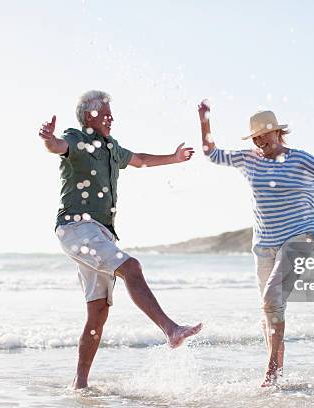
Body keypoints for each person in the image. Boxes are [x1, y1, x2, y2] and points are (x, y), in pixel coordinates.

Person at [38, 90, 202, 389]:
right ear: (89, 116)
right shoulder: (75, 138)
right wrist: (48, 139)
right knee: (132, 267)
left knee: (98, 311)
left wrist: (174, 158)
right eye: (105, 113)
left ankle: (80, 383)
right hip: (76, 228)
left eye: (111, 112)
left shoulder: (111, 147)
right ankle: (171, 329)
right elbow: (57, 146)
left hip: (100, 233)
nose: (111, 117)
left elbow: (138, 159)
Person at [197, 101, 314, 386]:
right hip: (264, 244)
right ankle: (277, 374)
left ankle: (271, 372)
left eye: (266, 134)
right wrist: (205, 121)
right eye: (257, 137)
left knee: (271, 299)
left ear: (278, 133)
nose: (262, 141)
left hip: (301, 234)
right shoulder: (248, 158)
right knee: (270, 308)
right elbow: (211, 153)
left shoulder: (300, 159)